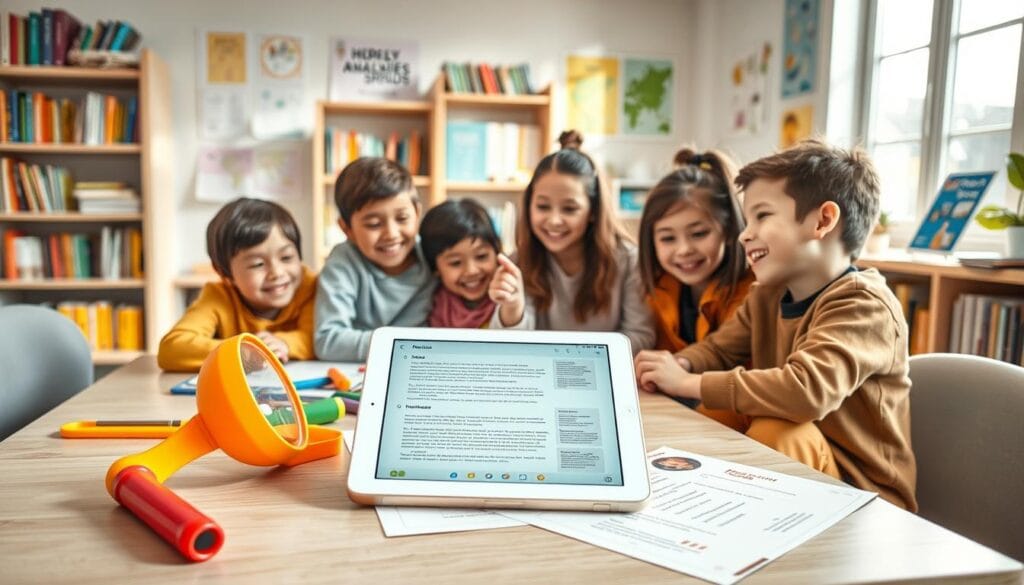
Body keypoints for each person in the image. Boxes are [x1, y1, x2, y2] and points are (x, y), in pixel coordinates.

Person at [634, 139, 917, 511]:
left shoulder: (864, 305)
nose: (744, 234)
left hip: (866, 498)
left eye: (762, 216)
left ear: (823, 221)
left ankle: (735, 517)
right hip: (804, 481)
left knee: (778, 428)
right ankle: (690, 504)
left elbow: (805, 392)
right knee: (720, 411)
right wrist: (680, 364)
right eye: (747, 219)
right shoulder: (767, 294)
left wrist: (687, 382)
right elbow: (719, 349)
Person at [490, 130, 655, 353]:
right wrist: (512, 307)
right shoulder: (519, 261)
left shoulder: (628, 260)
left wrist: (577, 359)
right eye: (542, 207)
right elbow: (508, 347)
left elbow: (641, 335)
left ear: (593, 211)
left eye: (570, 209)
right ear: (529, 207)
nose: (554, 220)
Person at [158, 197, 316, 371]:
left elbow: (321, 339)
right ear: (224, 272)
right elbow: (172, 349)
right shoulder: (219, 296)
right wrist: (242, 351)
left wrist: (285, 343)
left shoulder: (310, 287)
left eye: (286, 257)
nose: (277, 273)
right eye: (258, 264)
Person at [314, 157, 435, 361]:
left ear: (417, 213)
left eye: (402, 218)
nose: (391, 234)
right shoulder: (343, 262)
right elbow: (327, 340)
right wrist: (402, 347)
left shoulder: (433, 254)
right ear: (346, 229)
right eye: (373, 224)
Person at [638, 148, 754, 354]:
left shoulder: (751, 295)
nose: (683, 250)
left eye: (699, 234)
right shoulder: (656, 290)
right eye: (667, 238)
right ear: (651, 241)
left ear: (728, 231)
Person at [419, 198, 501, 328]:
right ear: (436, 268)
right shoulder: (433, 305)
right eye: (455, 263)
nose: (471, 270)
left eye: (481, 256)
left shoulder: (506, 295)